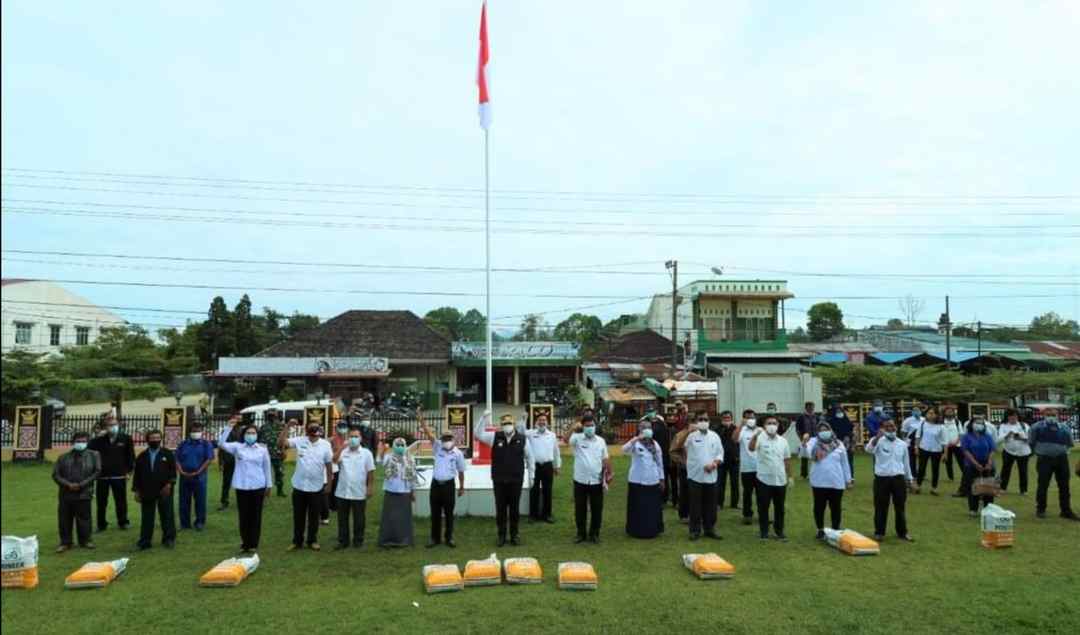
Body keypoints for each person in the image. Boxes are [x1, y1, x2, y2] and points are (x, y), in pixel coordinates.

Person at [474, 412, 534, 546]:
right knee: (500, 509)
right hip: (499, 479)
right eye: (505, 424)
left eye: (509, 424)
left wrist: (531, 475)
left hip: (515, 480)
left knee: (514, 509)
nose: (507, 426)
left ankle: (514, 535)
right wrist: (483, 418)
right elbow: (478, 434)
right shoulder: (495, 437)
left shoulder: (522, 439)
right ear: (501, 426)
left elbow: (530, 458)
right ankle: (501, 535)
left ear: (514, 425)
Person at [217, 423, 272, 553]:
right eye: (248, 433)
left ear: (257, 435)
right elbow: (220, 443)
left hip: (258, 485)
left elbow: (266, 467)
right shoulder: (238, 447)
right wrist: (229, 427)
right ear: (244, 435)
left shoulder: (262, 449)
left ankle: (253, 543)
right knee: (244, 516)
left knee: (256, 516)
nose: (250, 435)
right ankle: (245, 543)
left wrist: (269, 485)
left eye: (253, 433)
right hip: (242, 486)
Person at [279, 420, 333, 551]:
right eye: (311, 429)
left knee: (314, 516)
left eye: (316, 428)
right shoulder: (300, 440)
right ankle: (297, 542)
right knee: (299, 515)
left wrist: (329, 484)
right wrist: (287, 427)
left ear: (320, 430)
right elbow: (281, 443)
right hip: (299, 485)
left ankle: (312, 541)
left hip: (316, 486)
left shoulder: (325, 445)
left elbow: (329, 465)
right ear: (307, 430)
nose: (314, 432)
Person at [419, 414, 467, 548]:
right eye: (444, 438)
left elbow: (461, 471)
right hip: (435, 485)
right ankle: (435, 538)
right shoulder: (437, 447)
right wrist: (421, 419)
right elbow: (428, 433)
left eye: (448, 438)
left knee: (449, 513)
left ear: (453, 439)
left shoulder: (458, 454)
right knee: (435, 512)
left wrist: (462, 487)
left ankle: (449, 538)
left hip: (449, 486)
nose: (446, 441)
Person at [865, 419, 915, 542]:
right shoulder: (878, 441)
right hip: (882, 479)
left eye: (892, 426)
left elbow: (906, 463)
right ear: (882, 428)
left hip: (898, 479)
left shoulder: (902, 444)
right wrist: (877, 437)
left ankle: (902, 532)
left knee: (900, 507)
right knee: (880, 507)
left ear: (896, 427)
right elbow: (868, 450)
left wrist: (909, 479)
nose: (890, 428)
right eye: (887, 426)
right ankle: (879, 532)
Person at [565, 416, 611, 544]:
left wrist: (609, 473)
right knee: (580, 509)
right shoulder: (577, 438)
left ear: (595, 426)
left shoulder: (601, 441)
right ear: (583, 427)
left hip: (596, 480)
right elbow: (565, 439)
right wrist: (572, 428)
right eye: (587, 426)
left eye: (592, 425)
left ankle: (594, 534)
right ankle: (581, 534)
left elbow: (605, 458)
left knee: (597, 509)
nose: (590, 428)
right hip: (580, 480)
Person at [52, 431, 101, 552]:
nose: (81, 443)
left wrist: (81, 485)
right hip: (66, 493)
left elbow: (97, 471)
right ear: (73, 442)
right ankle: (65, 542)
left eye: (83, 441)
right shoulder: (63, 457)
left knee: (84, 518)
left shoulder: (94, 455)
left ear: (87, 442)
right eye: (78, 441)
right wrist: (68, 485)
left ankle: (86, 541)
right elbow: (56, 475)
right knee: (64, 519)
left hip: (84, 492)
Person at [802, 422, 852, 539]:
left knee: (836, 507)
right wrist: (804, 442)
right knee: (819, 506)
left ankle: (835, 529)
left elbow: (845, 463)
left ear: (830, 430)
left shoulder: (838, 443)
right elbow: (806, 454)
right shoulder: (813, 442)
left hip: (836, 481)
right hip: (819, 481)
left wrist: (848, 480)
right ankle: (820, 529)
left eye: (826, 429)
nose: (824, 431)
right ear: (817, 432)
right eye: (821, 430)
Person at [1028, 407, 1079, 521]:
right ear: (1044, 415)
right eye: (1049, 414)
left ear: (1058, 416)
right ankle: (1041, 509)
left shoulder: (1064, 428)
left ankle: (1066, 511)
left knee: (1064, 485)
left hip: (1061, 459)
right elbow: (1031, 442)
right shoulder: (1036, 427)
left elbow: (1070, 443)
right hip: (1044, 459)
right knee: (1043, 484)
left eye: (1053, 414)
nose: (1051, 417)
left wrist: (1060, 450)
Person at [87, 413, 135, 532]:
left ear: (118, 425)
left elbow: (130, 457)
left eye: (114, 424)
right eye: (109, 425)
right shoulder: (98, 441)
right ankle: (101, 524)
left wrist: (129, 472)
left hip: (119, 475)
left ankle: (123, 522)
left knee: (121, 501)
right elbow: (89, 452)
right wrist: (96, 434)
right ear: (105, 427)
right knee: (101, 502)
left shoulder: (126, 438)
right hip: (102, 476)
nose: (112, 427)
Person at [332, 425, 376, 549]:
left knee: (359, 519)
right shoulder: (344, 452)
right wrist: (341, 447)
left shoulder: (366, 453)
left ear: (361, 438)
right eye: (351, 436)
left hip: (359, 490)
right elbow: (334, 460)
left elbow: (370, 472)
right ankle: (343, 541)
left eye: (356, 436)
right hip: (343, 491)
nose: (353, 439)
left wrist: (370, 487)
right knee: (342, 518)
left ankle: (358, 541)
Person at [681, 411, 723, 540]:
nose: (703, 422)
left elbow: (720, 453)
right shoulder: (691, 436)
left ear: (709, 422)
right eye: (700, 420)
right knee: (695, 504)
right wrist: (693, 464)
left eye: (705, 419)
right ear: (697, 422)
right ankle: (695, 530)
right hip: (695, 476)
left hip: (711, 475)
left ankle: (709, 529)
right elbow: (684, 448)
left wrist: (714, 464)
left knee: (711, 505)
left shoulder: (715, 436)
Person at [132, 430, 177, 550]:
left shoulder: (167, 454)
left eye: (158, 438)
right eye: (152, 438)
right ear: (147, 440)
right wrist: (136, 490)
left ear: (161, 439)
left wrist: (169, 485)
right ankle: (145, 541)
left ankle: (169, 539)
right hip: (147, 490)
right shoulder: (142, 456)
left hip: (164, 489)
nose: (155, 440)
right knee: (147, 517)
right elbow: (137, 475)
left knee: (167, 515)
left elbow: (173, 471)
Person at [749, 416, 791, 541]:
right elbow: (751, 448)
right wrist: (755, 436)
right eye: (769, 423)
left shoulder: (783, 441)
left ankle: (779, 532)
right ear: (764, 426)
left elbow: (787, 459)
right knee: (763, 507)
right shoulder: (760, 438)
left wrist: (791, 476)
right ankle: (764, 532)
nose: (772, 425)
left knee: (780, 508)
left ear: (777, 425)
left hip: (780, 480)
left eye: (774, 423)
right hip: (764, 479)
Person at [623, 418, 665, 538]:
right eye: (644, 428)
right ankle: (635, 530)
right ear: (640, 430)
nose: (648, 430)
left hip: (653, 479)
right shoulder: (635, 444)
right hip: (637, 480)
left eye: (649, 428)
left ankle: (652, 529)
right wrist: (636, 438)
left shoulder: (655, 444)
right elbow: (624, 450)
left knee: (651, 507)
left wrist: (662, 479)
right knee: (638, 507)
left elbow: (659, 462)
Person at [378, 437, 420, 548]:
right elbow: (379, 461)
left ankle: (404, 540)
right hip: (391, 491)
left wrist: (413, 492)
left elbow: (412, 477)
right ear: (394, 446)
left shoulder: (410, 459)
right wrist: (383, 450)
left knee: (403, 518)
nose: (400, 447)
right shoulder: (389, 457)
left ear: (405, 446)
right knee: (390, 517)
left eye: (402, 445)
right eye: (398, 445)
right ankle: (388, 540)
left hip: (405, 491)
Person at [526, 413, 561, 524]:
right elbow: (521, 430)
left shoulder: (552, 435)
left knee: (548, 490)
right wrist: (523, 419)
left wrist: (557, 466)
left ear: (547, 423)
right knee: (534, 490)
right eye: (540, 420)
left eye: (544, 420)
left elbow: (556, 452)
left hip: (547, 466)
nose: (542, 422)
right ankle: (533, 515)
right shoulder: (530, 433)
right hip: (534, 466)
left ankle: (547, 514)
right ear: (536, 422)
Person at [959, 417, 997, 517]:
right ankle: (973, 509)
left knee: (988, 487)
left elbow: (992, 449)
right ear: (971, 424)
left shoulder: (987, 436)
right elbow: (966, 451)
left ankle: (988, 508)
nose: (979, 425)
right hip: (971, 464)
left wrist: (989, 463)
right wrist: (976, 464)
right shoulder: (966, 437)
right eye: (977, 423)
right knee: (973, 487)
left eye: (981, 423)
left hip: (987, 464)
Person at [733, 409, 759, 525]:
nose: (751, 420)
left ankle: (762, 514)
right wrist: (741, 425)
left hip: (761, 468)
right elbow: (734, 439)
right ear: (744, 419)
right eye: (748, 418)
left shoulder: (760, 430)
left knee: (762, 493)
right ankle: (747, 515)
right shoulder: (742, 430)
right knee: (747, 493)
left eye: (752, 417)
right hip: (747, 468)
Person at [997, 409, 1031, 495]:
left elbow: (1030, 439)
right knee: (1005, 470)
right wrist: (1007, 435)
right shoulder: (1003, 426)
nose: (1013, 418)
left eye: (1015, 416)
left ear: (1018, 416)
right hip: (1008, 451)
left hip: (1023, 452)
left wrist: (1021, 437)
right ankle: (1002, 488)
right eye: (1010, 416)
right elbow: (998, 440)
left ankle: (1023, 490)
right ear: (1007, 417)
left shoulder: (1024, 425)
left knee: (1023, 471)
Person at [915, 408, 945, 495]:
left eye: (933, 413)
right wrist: (916, 447)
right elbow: (918, 436)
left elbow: (944, 441)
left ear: (936, 415)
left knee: (935, 469)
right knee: (921, 468)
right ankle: (918, 486)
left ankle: (934, 488)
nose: (931, 415)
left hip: (936, 450)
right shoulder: (923, 423)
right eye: (929, 413)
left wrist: (945, 453)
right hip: (924, 448)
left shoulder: (941, 426)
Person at [257, 409, 287, 497]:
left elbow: (284, 440)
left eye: (273, 415)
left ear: (276, 416)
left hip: (277, 453)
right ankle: (264, 489)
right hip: (266, 453)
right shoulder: (263, 427)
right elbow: (260, 441)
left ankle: (280, 490)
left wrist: (284, 451)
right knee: (264, 472)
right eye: (270, 415)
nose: (271, 417)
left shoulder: (281, 426)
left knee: (279, 472)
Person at [714, 410, 740, 509]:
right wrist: (724, 428)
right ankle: (719, 503)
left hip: (734, 459)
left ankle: (734, 503)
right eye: (724, 418)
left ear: (731, 418)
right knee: (720, 482)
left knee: (735, 483)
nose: (726, 419)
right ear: (721, 419)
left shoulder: (736, 428)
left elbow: (739, 442)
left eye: (728, 418)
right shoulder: (717, 429)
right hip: (721, 460)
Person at [217, 415, 243, 511]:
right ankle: (224, 502)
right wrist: (220, 462)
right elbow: (221, 447)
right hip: (229, 461)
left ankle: (242, 501)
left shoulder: (242, 431)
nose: (238, 420)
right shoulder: (226, 431)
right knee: (226, 482)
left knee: (241, 481)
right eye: (236, 418)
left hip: (240, 461)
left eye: (240, 419)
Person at [669, 421, 692, 522]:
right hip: (685, 468)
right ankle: (684, 515)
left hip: (700, 469)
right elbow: (673, 451)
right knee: (684, 492)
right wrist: (682, 462)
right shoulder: (680, 435)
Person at [327, 418, 351, 515]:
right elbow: (329, 454)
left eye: (344, 427)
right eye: (341, 427)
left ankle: (341, 503)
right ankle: (332, 505)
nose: (342, 429)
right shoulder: (331, 439)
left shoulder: (348, 439)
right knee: (334, 486)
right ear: (337, 428)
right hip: (335, 465)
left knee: (343, 484)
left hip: (346, 465)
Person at [826, 403, 855, 480]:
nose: (839, 412)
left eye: (840, 410)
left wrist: (851, 442)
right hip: (836, 444)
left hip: (847, 443)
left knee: (849, 461)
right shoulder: (830, 421)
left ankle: (850, 477)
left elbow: (852, 432)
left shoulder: (846, 420)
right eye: (837, 410)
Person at [941, 406, 965, 496]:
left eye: (951, 411)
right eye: (948, 411)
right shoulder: (942, 422)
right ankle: (950, 477)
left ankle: (965, 474)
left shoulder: (957, 421)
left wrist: (956, 442)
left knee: (961, 461)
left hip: (957, 445)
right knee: (948, 461)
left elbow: (961, 433)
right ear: (945, 412)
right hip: (946, 445)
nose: (950, 413)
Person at [794, 402, 818, 479]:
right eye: (810, 407)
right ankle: (803, 474)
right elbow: (797, 429)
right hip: (806, 439)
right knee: (805, 457)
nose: (811, 408)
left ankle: (814, 473)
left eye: (812, 407)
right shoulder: (801, 417)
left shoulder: (816, 417)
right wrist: (801, 438)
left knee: (815, 456)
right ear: (806, 407)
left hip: (815, 438)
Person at [900, 406, 924, 481]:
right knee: (912, 459)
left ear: (921, 411)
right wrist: (904, 441)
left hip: (922, 441)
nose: (916, 412)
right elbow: (903, 432)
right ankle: (913, 474)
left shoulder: (924, 420)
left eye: (918, 410)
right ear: (912, 412)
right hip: (911, 441)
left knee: (922, 458)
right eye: (914, 410)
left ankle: (921, 474)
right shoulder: (908, 420)